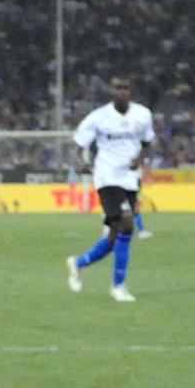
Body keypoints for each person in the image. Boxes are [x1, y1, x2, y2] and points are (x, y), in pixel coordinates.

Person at [64, 77, 153, 303]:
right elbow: (79, 145)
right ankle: (118, 286)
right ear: (112, 92)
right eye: (117, 88)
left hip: (130, 179)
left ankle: (78, 263)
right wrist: (80, 162)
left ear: (130, 91)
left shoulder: (142, 114)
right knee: (126, 223)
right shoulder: (98, 117)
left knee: (115, 237)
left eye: (125, 88)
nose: (121, 92)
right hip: (107, 176)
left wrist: (140, 159)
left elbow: (146, 142)